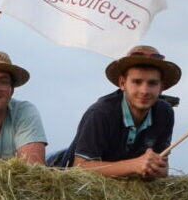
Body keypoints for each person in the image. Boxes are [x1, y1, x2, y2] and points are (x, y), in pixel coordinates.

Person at [60, 45, 178, 180]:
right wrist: (133, 165)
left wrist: (158, 170)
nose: (144, 90)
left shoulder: (165, 113)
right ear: (122, 83)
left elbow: (162, 166)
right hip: (70, 184)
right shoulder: (100, 112)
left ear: (161, 87)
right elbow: (81, 166)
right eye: (137, 82)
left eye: (152, 83)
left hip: (125, 190)